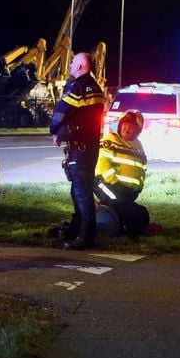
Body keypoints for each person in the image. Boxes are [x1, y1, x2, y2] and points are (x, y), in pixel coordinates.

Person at [49, 52, 106, 250]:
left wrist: (56, 132)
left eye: (73, 63)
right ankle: (76, 229)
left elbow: (62, 113)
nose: (70, 65)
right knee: (78, 192)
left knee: (82, 194)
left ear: (81, 66)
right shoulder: (94, 88)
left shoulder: (80, 88)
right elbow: (82, 119)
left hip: (82, 150)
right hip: (85, 148)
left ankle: (86, 237)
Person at [94, 109, 152, 236]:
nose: (127, 128)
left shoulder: (138, 145)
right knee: (123, 207)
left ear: (138, 130)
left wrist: (137, 188)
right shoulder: (111, 140)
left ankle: (133, 228)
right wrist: (115, 184)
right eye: (125, 124)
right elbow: (102, 166)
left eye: (132, 126)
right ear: (120, 125)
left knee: (137, 210)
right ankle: (131, 229)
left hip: (128, 191)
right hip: (108, 185)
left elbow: (141, 168)